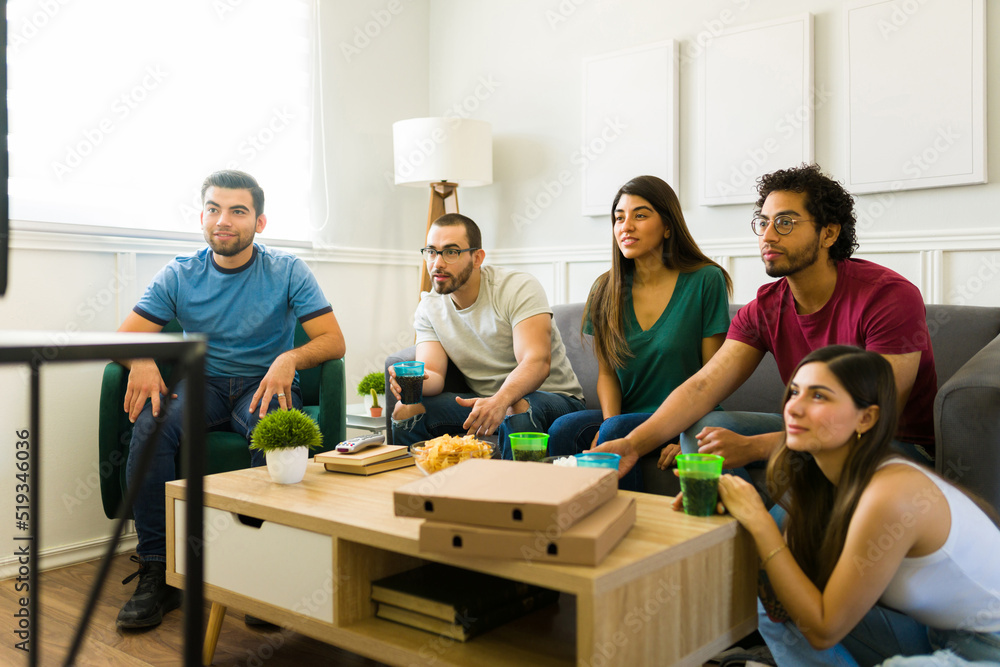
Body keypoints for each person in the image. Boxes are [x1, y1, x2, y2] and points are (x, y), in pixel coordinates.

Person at [596, 163, 938, 486]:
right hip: (809, 431)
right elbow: (703, 387)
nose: (768, 236)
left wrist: (757, 447)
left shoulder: (888, 297)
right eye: (764, 223)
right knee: (701, 430)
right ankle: (734, 521)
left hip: (890, 445)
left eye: (785, 223)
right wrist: (632, 443)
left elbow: (873, 415)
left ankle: (756, 529)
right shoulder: (765, 308)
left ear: (829, 233)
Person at [115, 170, 345, 629]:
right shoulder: (180, 273)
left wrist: (290, 358)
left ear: (259, 223)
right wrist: (141, 361)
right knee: (150, 426)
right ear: (202, 217)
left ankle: (266, 571)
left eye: (238, 211)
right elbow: (125, 338)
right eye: (214, 209)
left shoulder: (287, 270)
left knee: (277, 435)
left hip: (266, 384)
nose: (224, 220)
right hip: (202, 385)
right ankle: (158, 570)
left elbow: (334, 342)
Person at [696, 346, 1000, 665]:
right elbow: (781, 602)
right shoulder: (823, 476)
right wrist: (738, 518)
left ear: (866, 418)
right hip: (935, 634)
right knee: (780, 594)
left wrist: (758, 519)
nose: (794, 409)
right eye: (795, 392)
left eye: (819, 397)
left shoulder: (891, 493)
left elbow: (824, 631)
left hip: (989, 649)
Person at [546, 175, 732, 491]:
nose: (626, 226)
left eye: (640, 215)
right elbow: (607, 376)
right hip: (627, 417)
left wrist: (688, 436)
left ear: (668, 226)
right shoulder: (605, 288)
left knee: (616, 429)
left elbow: (712, 379)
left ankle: (626, 520)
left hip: (685, 417)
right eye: (619, 218)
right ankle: (564, 517)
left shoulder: (705, 280)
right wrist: (607, 424)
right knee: (563, 429)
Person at [390, 213, 586, 459]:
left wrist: (501, 400)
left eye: (451, 252)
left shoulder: (517, 288)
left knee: (516, 405)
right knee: (406, 409)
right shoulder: (430, 307)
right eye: (431, 251)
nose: (437, 263)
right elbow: (435, 375)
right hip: (485, 402)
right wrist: (411, 382)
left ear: (477, 257)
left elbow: (537, 362)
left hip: (554, 400)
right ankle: (420, 490)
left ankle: (512, 494)